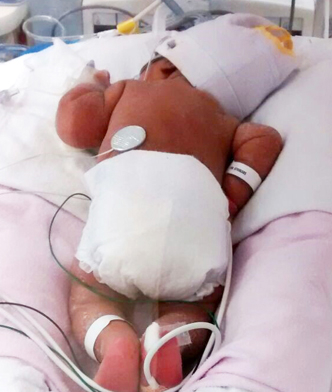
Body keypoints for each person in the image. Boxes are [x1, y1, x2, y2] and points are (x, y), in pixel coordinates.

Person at [56, 13, 296, 392]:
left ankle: (113, 341)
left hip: (124, 218)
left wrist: (90, 87)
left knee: (88, 297)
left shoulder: (129, 91)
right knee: (199, 306)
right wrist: (234, 190)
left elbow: (74, 127)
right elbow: (264, 140)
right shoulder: (226, 121)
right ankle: (171, 336)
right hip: (197, 229)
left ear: (164, 67)